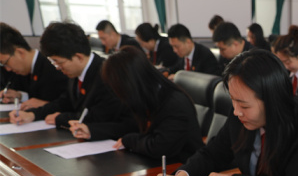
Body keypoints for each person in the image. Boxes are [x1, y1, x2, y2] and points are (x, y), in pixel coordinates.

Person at [153, 50, 298, 176]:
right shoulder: (240, 115)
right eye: (233, 100)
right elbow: (213, 154)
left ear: (272, 100)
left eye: (244, 105)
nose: (236, 111)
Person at [69, 46, 200, 163]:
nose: (118, 95)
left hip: (180, 169)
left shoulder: (173, 103)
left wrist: (130, 140)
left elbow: (159, 147)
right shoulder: (148, 96)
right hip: (154, 166)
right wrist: (92, 130)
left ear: (130, 83)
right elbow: (130, 126)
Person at [10, 22, 135, 140]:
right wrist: (33, 114)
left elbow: (97, 117)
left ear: (78, 57)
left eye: (59, 62)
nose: (57, 68)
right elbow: (64, 102)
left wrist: (61, 118)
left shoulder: (107, 74)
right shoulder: (76, 72)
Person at [0, 22, 67, 109]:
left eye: (5, 63)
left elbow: (68, 105)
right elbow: (35, 99)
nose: (7, 69)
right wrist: (21, 96)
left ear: (20, 52)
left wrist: (47, 106)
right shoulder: (24, 70)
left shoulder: (53, 68)